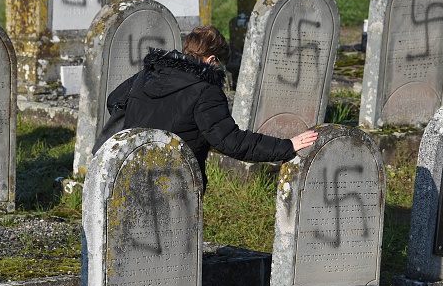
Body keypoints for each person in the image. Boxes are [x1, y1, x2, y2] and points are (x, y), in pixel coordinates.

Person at [106, 25, 318, 189]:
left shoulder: (148, 73)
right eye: (219, 65)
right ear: (211, 60)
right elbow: (231, 141)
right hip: (176, 181)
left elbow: (114, 101)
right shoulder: (205, 92)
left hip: (128, 170)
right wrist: (287, 146)